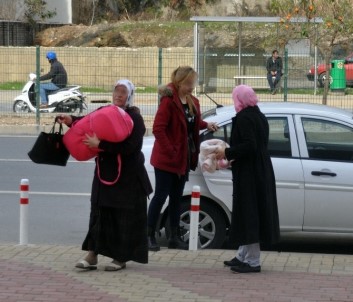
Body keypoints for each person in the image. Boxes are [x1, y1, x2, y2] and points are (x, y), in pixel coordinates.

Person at [57, 79, 153, 271]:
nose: (118, 95)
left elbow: (131, 147)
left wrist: (101, 145)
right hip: (104, 172)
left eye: (123, 92)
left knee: (122, 217)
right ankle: (92, 255)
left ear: (130, 96)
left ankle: (121, 257)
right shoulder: (104, 110)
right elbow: (88, 124)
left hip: (128, 177)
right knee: (99, 214)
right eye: (116, 91)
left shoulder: (135, 117)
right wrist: (71, 121)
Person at [147, 66, 218, 251]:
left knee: (177, 198)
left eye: (193, 83)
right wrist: (170, 150)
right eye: (188, 83)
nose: (191, 87)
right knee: (160, 197)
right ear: (178, 83)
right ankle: (148, 235)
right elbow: (158, 129)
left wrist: (206, 125)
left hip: (184, 158)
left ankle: (174, 236)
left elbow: (191, 122)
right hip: (167, 159)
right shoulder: (168, 101)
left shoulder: (192, 101)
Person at [215, 84, 280, 274]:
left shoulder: (244, 118)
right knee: (247, 213)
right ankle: (242, 255)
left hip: (250, 174)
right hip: (259, 169)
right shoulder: (258, 114)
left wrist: (226, 152)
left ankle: (252, 261)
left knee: (250, 214)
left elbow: (249, 145)